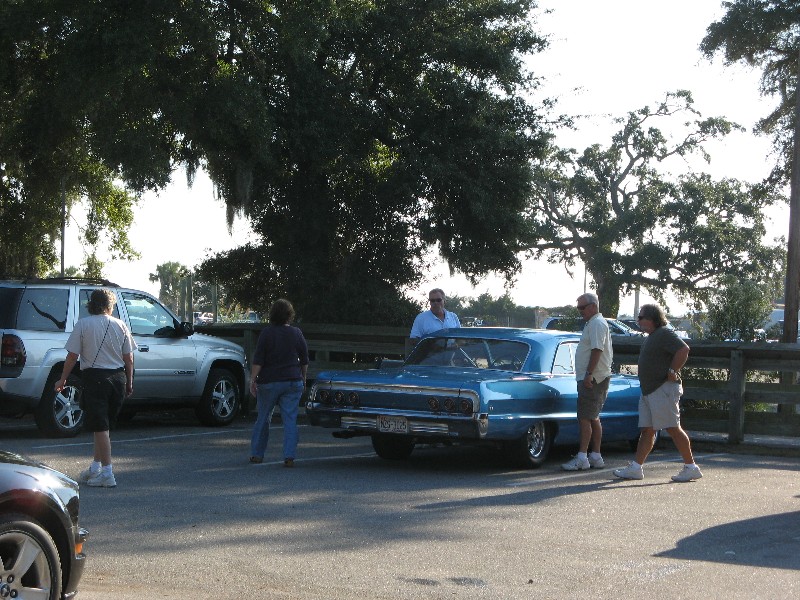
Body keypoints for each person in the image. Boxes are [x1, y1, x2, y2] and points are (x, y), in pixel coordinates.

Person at [613, 303, 702, 482]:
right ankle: (636, 468)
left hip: (663, 389)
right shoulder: (652, 336)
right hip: (649, 390)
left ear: (652, 319)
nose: (638, 320)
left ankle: (691, 467)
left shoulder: (664, 333)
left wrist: (673, 370)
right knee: (647, 430)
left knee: (672, 427)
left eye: (641, 317)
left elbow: (683, 349)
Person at [56, 288, 136, 488]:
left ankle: (108, 474)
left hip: (95, 378)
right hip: (118, 379)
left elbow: (72, 356)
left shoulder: (83, 324)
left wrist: (62, 379)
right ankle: (95, 467)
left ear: (91, 304)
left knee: (100, 427)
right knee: (102, 426)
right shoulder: (121, 325)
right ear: (110, 305)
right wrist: (129, 381)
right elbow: (129, 358)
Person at [249, 299, 309, 467]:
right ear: (289, 315)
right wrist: (303, 378)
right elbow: (304, 359)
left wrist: (253, 379)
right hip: (292, 381)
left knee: (263, 417)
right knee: (290, 419)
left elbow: (258, 359)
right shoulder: (296, 333)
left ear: (272, 314)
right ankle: (289, 456)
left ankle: (257, 454)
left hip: (269, 382)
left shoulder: (266, 333)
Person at [562, 292, 613, 471]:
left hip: (594, 377)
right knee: (593, 417)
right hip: (596, 376)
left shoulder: (597, 323)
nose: (580, 311)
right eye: (578, 308)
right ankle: (596, 455)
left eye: (582, 307)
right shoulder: (594, 323)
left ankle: (582, 457)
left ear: (593, 306)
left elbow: (597, 349)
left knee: (584, 417)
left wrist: (589, 374)